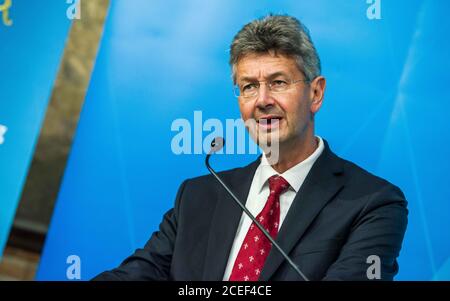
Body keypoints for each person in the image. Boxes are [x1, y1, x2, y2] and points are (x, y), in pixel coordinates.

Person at [93, 14, 408, 281]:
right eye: (249, 87)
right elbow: (139, 273)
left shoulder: (373, 203)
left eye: (278, 82)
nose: (262, 100)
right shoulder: (200, 195)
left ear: (315, 93)